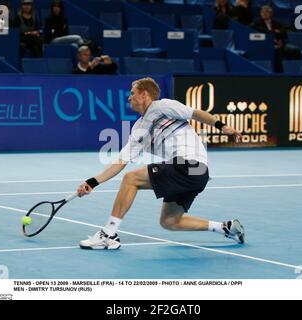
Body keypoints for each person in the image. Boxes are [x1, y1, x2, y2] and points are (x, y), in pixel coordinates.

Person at [76, 77, 245, 250]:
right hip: (194, 175)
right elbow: (120, 161)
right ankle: (224, 227)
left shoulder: (163, 106)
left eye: (132, 93)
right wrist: (92, 182)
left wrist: (221, 126)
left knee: (131, 179)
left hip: (190, 165)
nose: (129, 98)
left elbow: (195, 114)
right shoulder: (138, 129)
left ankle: (109, 234)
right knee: (169, 221)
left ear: (144, 94)